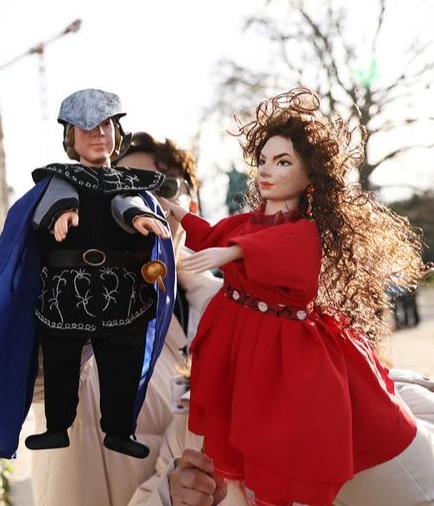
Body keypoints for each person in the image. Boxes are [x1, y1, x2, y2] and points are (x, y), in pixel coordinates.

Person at [161, 87, 430, 505]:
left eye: (283, 162)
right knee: (253, 442)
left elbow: (285, 251)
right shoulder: (250, 220)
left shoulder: (303, 230)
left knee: (297, 438)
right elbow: (217, 231)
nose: (267, 171)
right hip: (249, 345)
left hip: (289, 351)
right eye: (264, 161)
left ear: (310, 174)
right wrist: (175, 211)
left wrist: (233, 252)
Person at [0, 89, 176, 460]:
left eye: (105, 126)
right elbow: (44, 207)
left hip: (123, 294)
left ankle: (120, 428)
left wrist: (142, 216)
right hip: (64, 294)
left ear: (117, 133)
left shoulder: (131, 185)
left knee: (123, 361)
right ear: (71, 137)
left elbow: (128, 203)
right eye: (86, 129)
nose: (98, 134)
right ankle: (57, 426)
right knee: (61, 362)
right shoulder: (59, 179)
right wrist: (60, 215)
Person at [30, 132, 223, 506]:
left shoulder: (231, 313)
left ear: (191, 207)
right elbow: (25, 379)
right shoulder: (67, 289)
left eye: (161, 186)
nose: (142, 200)